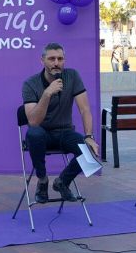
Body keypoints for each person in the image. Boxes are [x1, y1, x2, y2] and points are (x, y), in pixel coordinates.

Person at [22, 42, 100, 203]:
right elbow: (33, 121)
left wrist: (89, 136)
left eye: (60, 59)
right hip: (41, 133)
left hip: (64, 132)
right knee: (33, 133)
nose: (56, 63)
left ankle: (63, 181)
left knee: (88, 151)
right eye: (51, 59)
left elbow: (85, 109)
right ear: (42, 60)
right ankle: (42, 180)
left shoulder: (72, 76)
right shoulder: (30, 84)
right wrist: (47, 94)